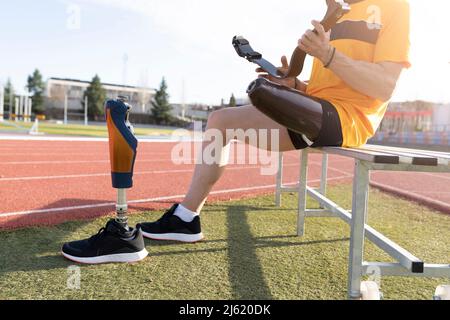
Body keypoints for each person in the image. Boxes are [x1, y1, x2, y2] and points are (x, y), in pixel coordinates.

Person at [62, 0, 411, 263]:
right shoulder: (338, 15)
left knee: (242, 106)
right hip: (319, 111)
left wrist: (328, 54)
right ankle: (186, 219)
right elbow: (328, 88)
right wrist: (293, 85)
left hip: (348, 120)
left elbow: (383, 86)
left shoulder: (393, 6)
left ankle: (186, 219)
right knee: (222, 119)